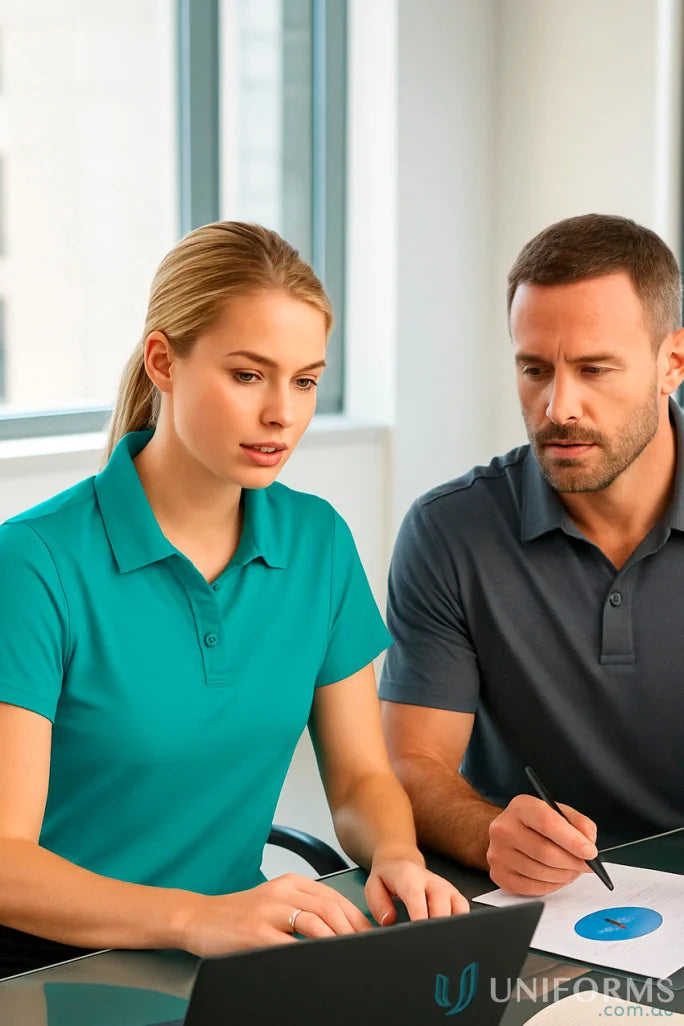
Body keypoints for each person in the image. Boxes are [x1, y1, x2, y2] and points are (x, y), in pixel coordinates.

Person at [0, 222, 467, 976]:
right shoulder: (33, 563)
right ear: (163, 362)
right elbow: (4, 861)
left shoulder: (317, 542)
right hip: (51, 975)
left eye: (305, 381)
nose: (283, 413)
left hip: (233, 957)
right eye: (249, 375)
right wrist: (195, 918)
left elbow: (360, 778)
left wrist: (396, 855)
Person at [379, 213, 684, 897]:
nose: (558, 407)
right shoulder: (448, 531)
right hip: (530, 907)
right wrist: (488, 832)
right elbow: (412, 765)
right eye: (535, 369)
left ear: (672, 363)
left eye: (594, 369)